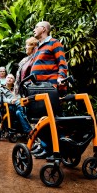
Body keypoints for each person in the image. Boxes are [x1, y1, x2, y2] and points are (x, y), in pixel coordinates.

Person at [30, 21, 68, 159]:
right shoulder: (37, 47)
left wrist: (61, 78)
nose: (34, 29)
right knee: (41, 119)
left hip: (50, 88)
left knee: (55, 119)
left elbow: (62, 63)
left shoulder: (54, 43)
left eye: (36, 27)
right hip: (38, 89)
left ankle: (61, 150)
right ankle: (47, 148)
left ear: (44, 29)